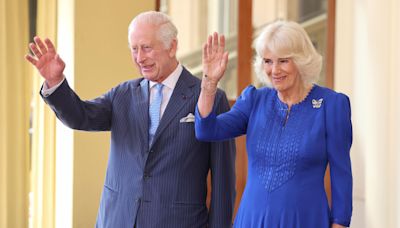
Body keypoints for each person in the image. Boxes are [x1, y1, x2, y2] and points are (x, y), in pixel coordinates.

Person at [25, 11, 236, 228]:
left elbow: (223, 182)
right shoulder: (123, 94)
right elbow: (81, 116)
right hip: (117, 219)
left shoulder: (208, 97)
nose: (139, 58)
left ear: (172, 47)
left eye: (146, 48)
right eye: (134, 49)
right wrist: (55, 81)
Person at [195, 20, 352, 228]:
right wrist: (209, 82)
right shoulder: (254, 99)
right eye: (268, 61)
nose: (274, 70)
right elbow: (206, 129)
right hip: (252, 220)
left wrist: (339, 224)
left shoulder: (331, 105)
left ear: (301, 60)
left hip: (305, 221)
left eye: (283, 61)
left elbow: (341, 175)